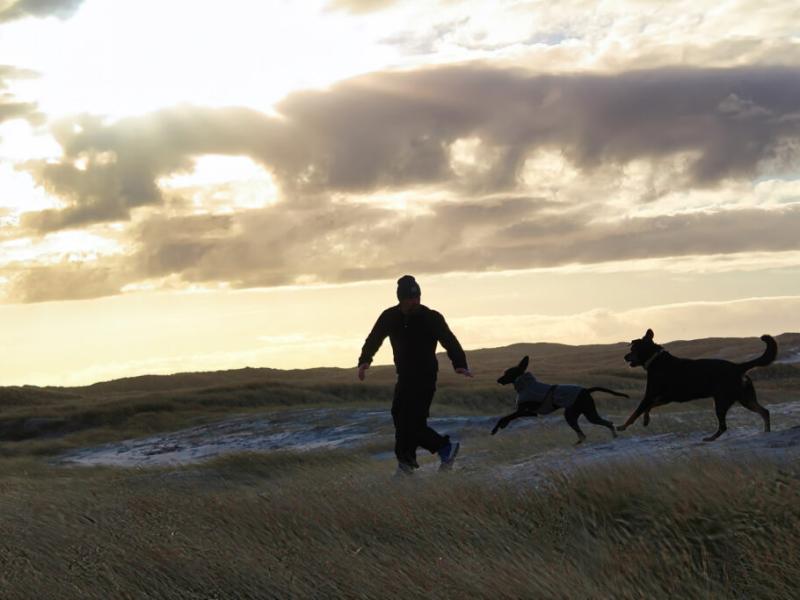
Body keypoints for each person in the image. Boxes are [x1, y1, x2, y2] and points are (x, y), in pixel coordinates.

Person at [357, 275, 473, 476]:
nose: (414, 302)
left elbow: (449, 340)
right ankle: (409, 463)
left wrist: (459, 364)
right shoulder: (389, 316)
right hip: (404, 376)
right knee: (400, 417)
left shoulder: (431, 317)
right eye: (410, 298)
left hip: (425, 376)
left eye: (417, 297)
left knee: (412, 422)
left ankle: (433, 452)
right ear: (401, 299)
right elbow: (374, 338)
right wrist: (365, 360)